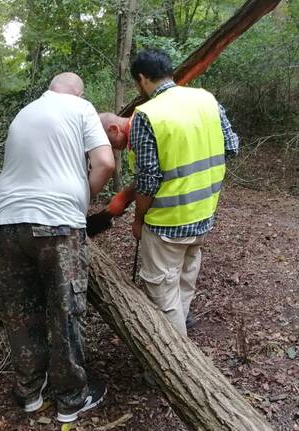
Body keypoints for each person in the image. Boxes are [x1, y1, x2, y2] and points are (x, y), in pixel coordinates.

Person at [0, 72, 115, 423]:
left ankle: (29, 392)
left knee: (20, 310)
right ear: (79, 91)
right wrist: (82, 198)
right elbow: (105, 163)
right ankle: (71, 399)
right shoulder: (79, 107)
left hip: (7, 222)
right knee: (65, 309)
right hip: (57, 222)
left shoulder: (24, 113)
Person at [126, 48, 239, 336]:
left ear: (142, 79)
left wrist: (138, 219)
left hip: (167, 223)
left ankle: (175, 357)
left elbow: (148, 180)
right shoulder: (206, 99)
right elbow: (231, 147)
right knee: (184, 282)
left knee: (163, 296)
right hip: (204, 214)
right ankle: (182, 344)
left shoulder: (147, 115)